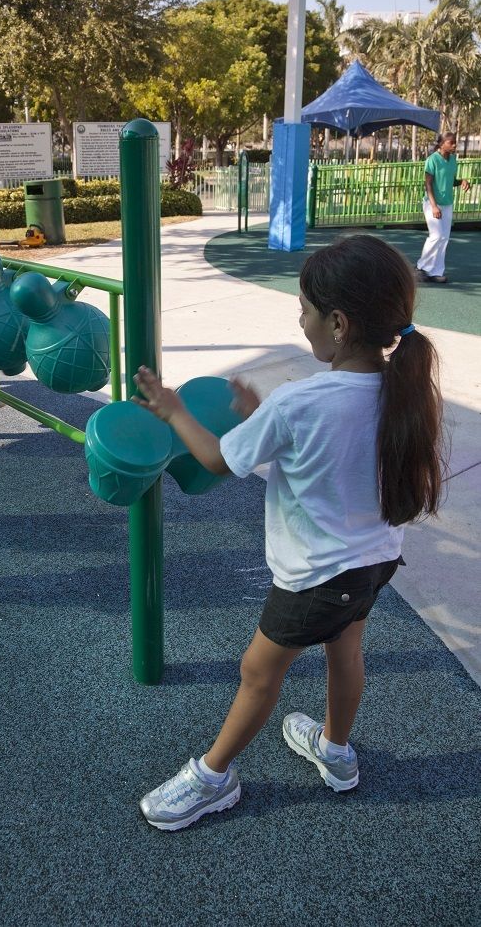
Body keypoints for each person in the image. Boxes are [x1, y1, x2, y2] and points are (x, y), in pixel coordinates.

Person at [134, 234, 444, 831]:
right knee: (346, 651)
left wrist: (175, 410)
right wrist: (261, 421)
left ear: (338, 322)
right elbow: (330, 459)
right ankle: (335, 749)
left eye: (304, 309)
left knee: (259, 671)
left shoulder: (299, 402)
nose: (299, 320)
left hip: (314, 579)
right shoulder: (402, 391)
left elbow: (219, 460)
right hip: (374, 563)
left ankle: (212, 777)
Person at [417, 131, 470, 285]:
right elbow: (428, 183)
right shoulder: (432, 160)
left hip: (447, 203)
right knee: (436, 235)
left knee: (444, 238)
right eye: (451, 142)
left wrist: (461, 182)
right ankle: (421, 267)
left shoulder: (453, 160)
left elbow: (450, 181)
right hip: (432, 203)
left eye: (455, 142)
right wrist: (433, 206)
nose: (454, 145)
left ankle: (436, 271)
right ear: (441, 144)